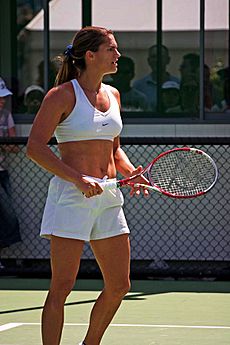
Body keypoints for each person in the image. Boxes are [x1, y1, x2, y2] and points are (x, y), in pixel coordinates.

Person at [26, 26, 148, 345]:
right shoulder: (61, 95)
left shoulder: (114, 95)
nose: (118, 55)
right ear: (90, 55)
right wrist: (77, 178)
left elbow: (114, 148)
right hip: (71, 197)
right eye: (111, 49)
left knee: (120, 285)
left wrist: (131, 171)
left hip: (108, 196)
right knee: (62, 287)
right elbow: (35, 147)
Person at [0, 77, 21, 269]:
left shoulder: (6, 116)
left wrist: (4, 144)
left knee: (8, 217)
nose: (2, 101)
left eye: (3, 98)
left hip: (1, 173)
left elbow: (14, 147)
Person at [133, 44, 179, 111]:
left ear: (168, 60)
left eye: (161, 56)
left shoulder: (178, 83)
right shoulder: (139, 86)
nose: (157, 60)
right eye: (154, 57)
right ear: (148, 61)